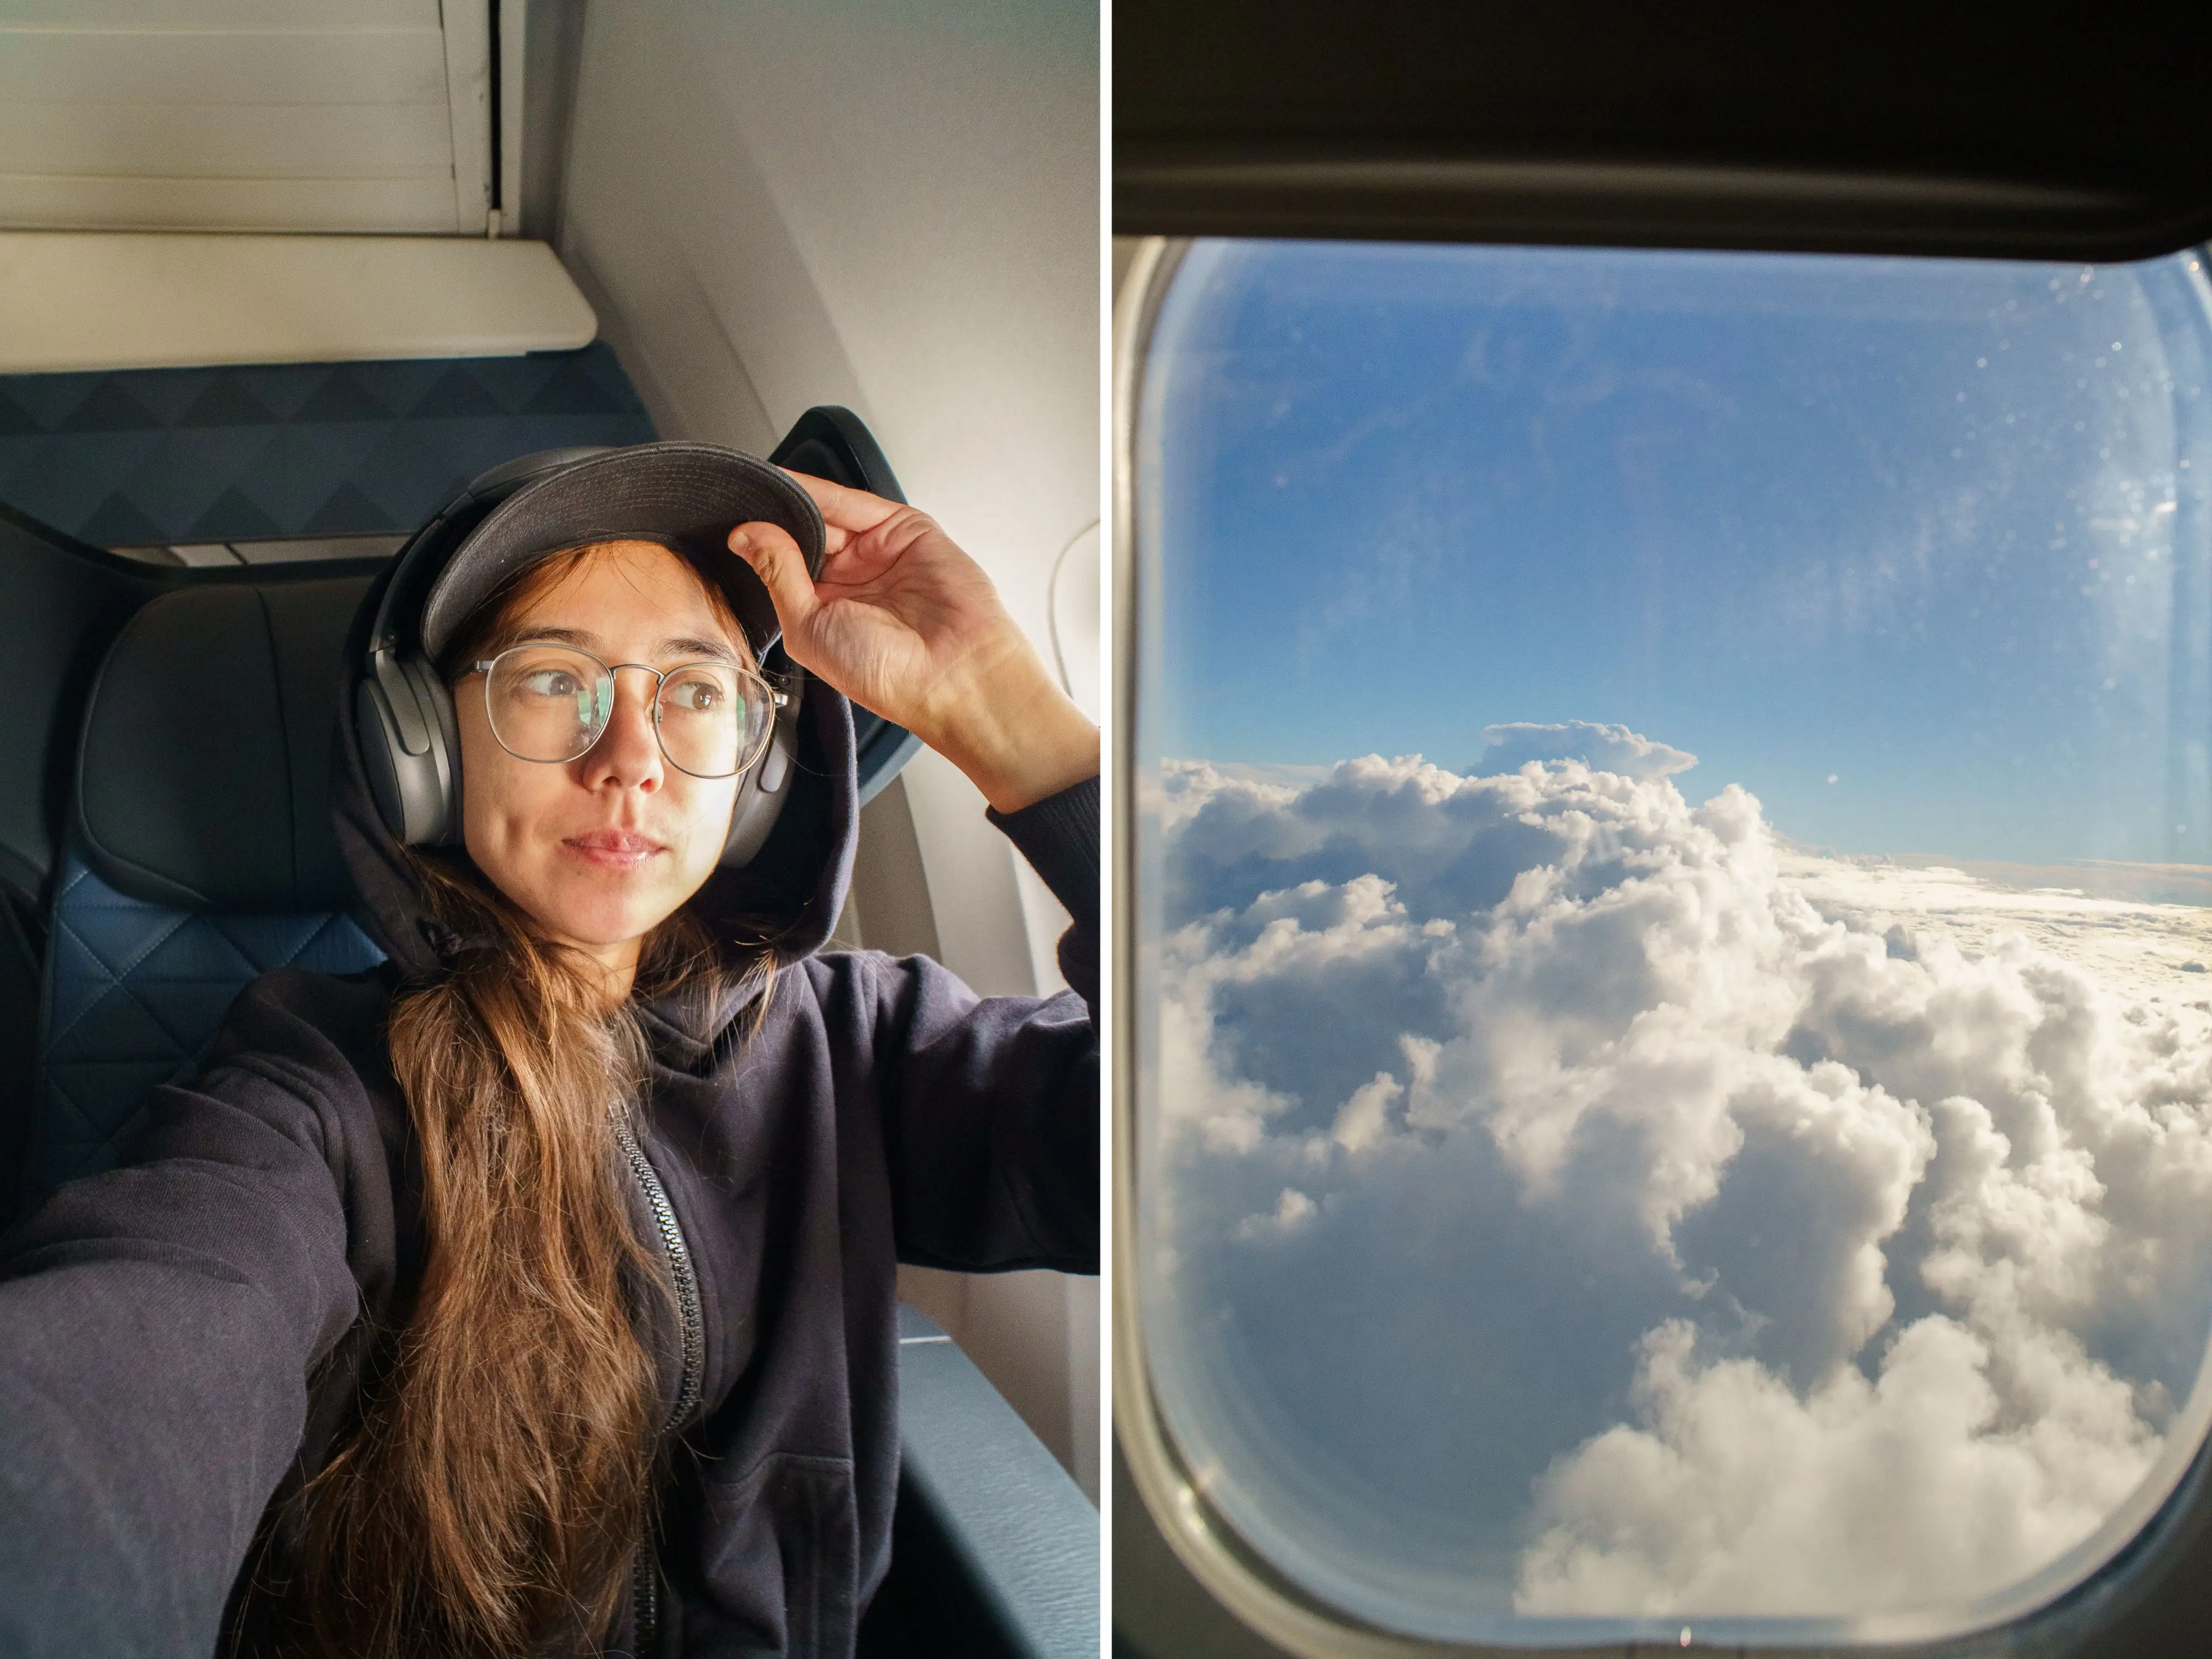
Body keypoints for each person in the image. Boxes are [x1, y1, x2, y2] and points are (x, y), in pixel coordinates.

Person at [0, 444, 1099, 1658]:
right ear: (423, 742)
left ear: (765, 767)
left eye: (693, 692)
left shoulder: (866, 1044)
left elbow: (1211, 1131)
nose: (628, 758)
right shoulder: (313, 1089)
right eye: (549, 679)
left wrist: (1019, 730)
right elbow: (148, 1346)